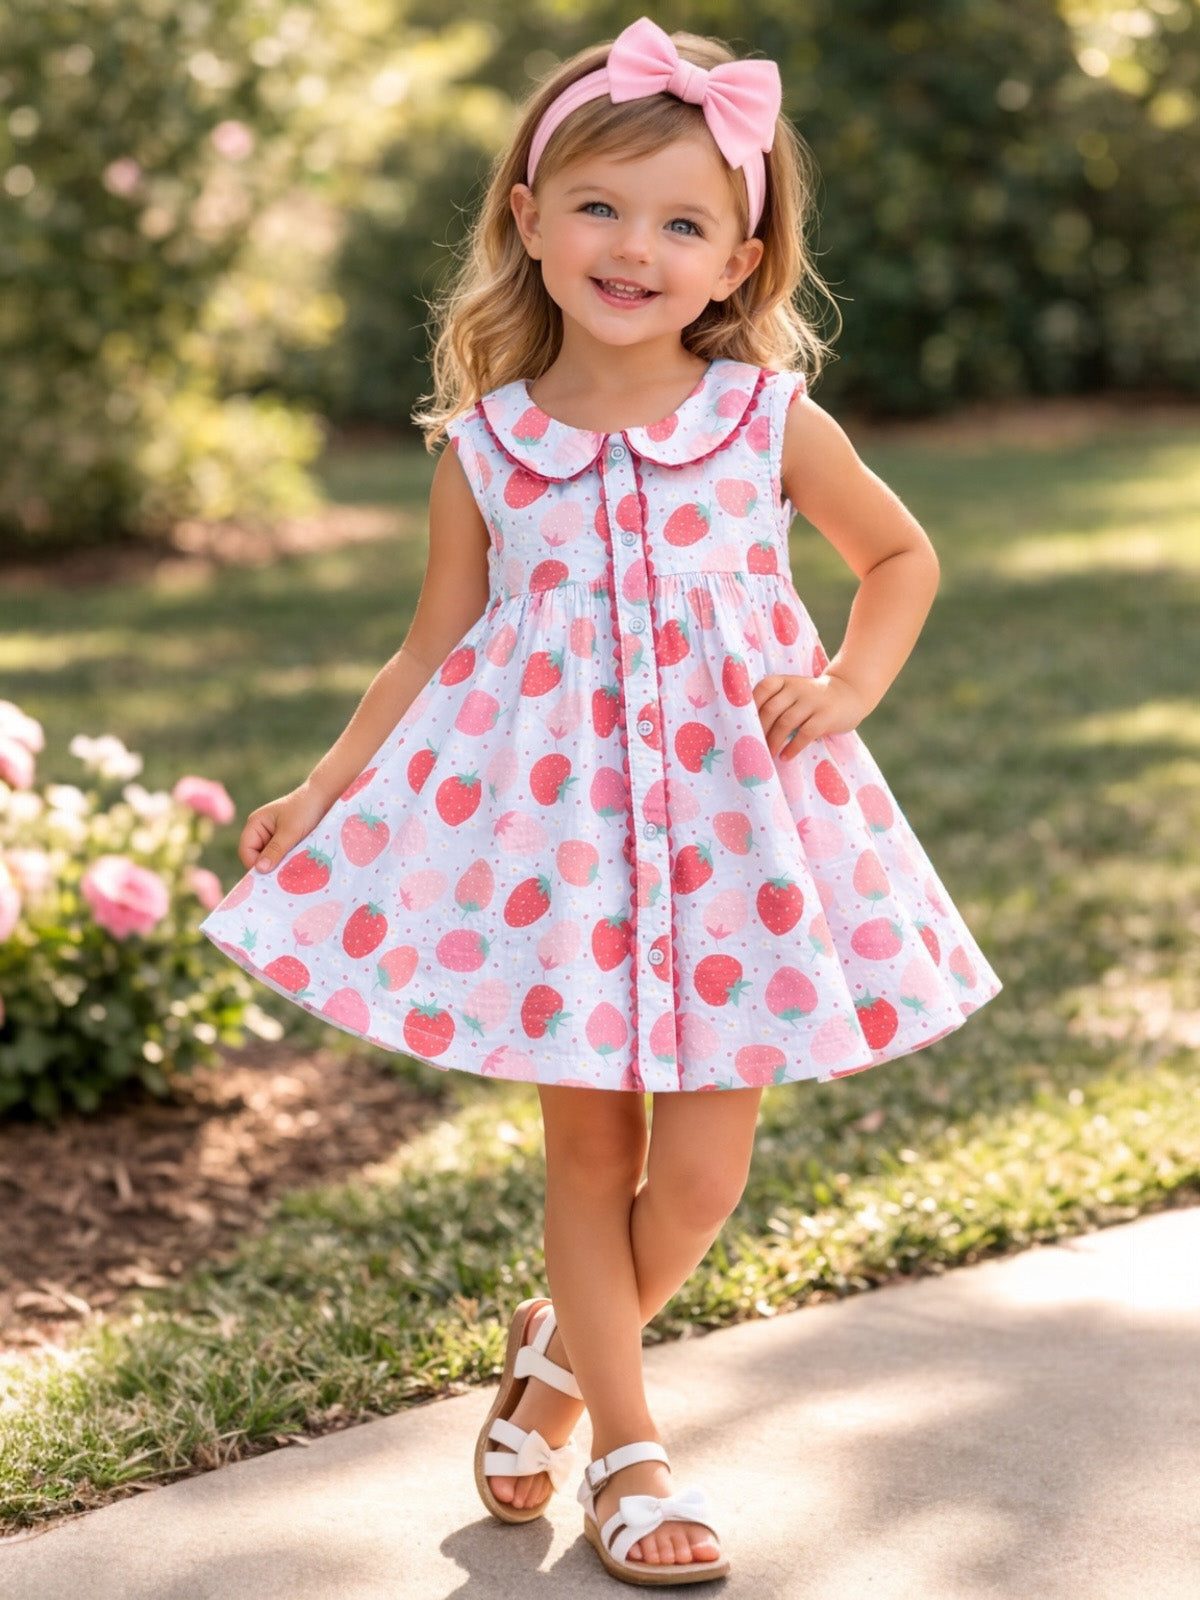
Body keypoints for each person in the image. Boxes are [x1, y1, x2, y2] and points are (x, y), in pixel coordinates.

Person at [200, 16, 1001, 1585]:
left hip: (734, 844)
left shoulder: (766, 421)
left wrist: (846, 685)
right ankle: (628, 1464)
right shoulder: (487, 449)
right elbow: (432, 647)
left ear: (736, 262)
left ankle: (559, 1357)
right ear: (530, 217)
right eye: (602, 208)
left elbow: (900, 559)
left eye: (682, 223)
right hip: (561, 857)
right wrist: (321, 785)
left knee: (700, 1180)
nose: (636, 246)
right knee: (588, 1158)